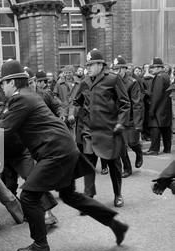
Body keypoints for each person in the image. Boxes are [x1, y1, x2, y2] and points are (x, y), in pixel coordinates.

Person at [0, 59, 129, 251]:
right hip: (63, 147)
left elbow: (5, 132)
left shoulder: (20, 99)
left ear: (11, 82)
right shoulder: (27, 95)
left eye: (2, 83)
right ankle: (115, 223)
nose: (2, 87)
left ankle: (40, 245)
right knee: (70, 196)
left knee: (28, 196)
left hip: (55, 151)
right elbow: (12, 121)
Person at [0, 89, 59, 226]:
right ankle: (25, 212)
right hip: (3, 158)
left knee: (33, 179)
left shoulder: (9, 115)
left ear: (1, 106)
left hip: (20, 153)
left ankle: (47, 212)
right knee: (7, 188)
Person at [73, 48, 131, 208]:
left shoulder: (112, 79)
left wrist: (120, 122)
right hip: (90, 131)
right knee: (88, 165)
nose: (88, 68)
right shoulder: (84, 82)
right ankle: (88, 198)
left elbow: (125, 104)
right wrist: (79, 117)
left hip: (109, 131)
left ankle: (118, 194)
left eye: (91, 64)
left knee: (114, 165)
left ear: (100, 65)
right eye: (87, 65)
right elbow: (77, 101)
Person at [111, 56, 144, 178]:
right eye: (114, 69)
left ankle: (138, 152)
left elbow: (137, 104)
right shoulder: (111, 81)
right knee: (121, 145)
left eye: (118, 69)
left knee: (132, 142)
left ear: (125, 69)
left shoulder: (132, 83)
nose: (116, 72)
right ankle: (127, 168)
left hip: (130, 118)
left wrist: (138, 123)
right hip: (118, 118)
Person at [144, 57, 173, 155]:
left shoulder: (159, 77)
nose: (151, 69)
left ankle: (154, 149)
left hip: (158, 108)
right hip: (165, 108)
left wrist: (152, 110)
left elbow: (156, 95)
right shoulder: (166, 76)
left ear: (159, 68)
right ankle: (167, 148)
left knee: (155, 127)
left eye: (153, 67)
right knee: (166, 128)